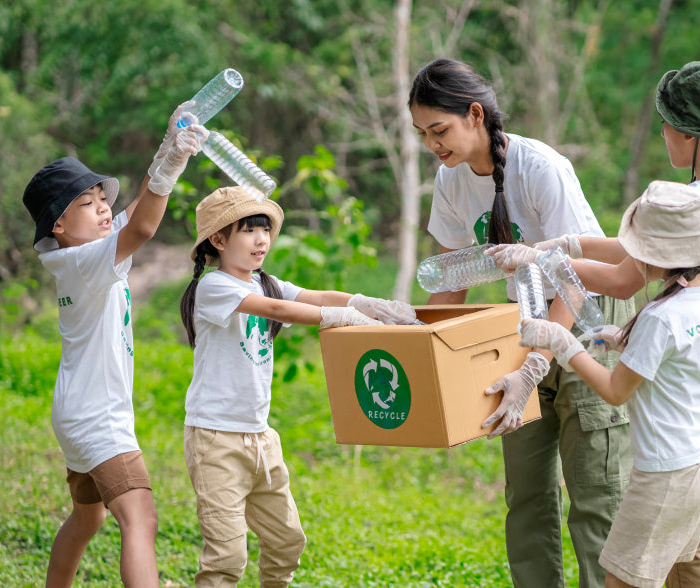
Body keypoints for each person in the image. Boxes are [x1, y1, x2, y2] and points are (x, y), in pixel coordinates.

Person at [489, 60, 700, 587]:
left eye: (666, 125)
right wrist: (568, 243)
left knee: (693, 539)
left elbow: (623, 279)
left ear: (689, 133)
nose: (662, 135)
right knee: (688, 538)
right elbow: (645, 249)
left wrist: (543, 259)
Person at [409, 57, 634, 588]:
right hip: (524, 322)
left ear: (475, 115)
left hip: (587, 321)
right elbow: (452, 277)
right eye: (422, 134)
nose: (431, 144)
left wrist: (535, 366)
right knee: (526, 491)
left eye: (439, 130)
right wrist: (422, 345)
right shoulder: (450, 179)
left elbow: (576, 279)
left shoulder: (540, 167)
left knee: (595, 493)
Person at [179, 186, 416, 587]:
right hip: (215, 438)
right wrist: (341, 319)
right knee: (227, 557)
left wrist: (365, 303)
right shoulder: (215, 286)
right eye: (249, 230)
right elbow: (277, 309)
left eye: (265, 230)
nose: (262, 239)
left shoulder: (264, 281)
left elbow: (316, 295)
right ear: (218, 239)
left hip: (261, 437)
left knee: (287, 541)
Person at [21, 102, 206, 587]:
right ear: (58, 225)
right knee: (140, 519)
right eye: (87, 203)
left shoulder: (79, 254)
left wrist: (167, 148)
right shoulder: (85, 261)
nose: (103, 207)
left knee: (89, 518)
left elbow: (136, 209)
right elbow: (143, 227)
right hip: (98, 416)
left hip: (76, 411)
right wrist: (172, 165)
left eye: (102, 197)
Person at [519, 180, 700, 588]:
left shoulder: (660, 318)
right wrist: (623, 339)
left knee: (620, 581)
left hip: (665, 475)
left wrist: (562, 344)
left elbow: (616, 391)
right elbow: (677, 361)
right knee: (675, 572)